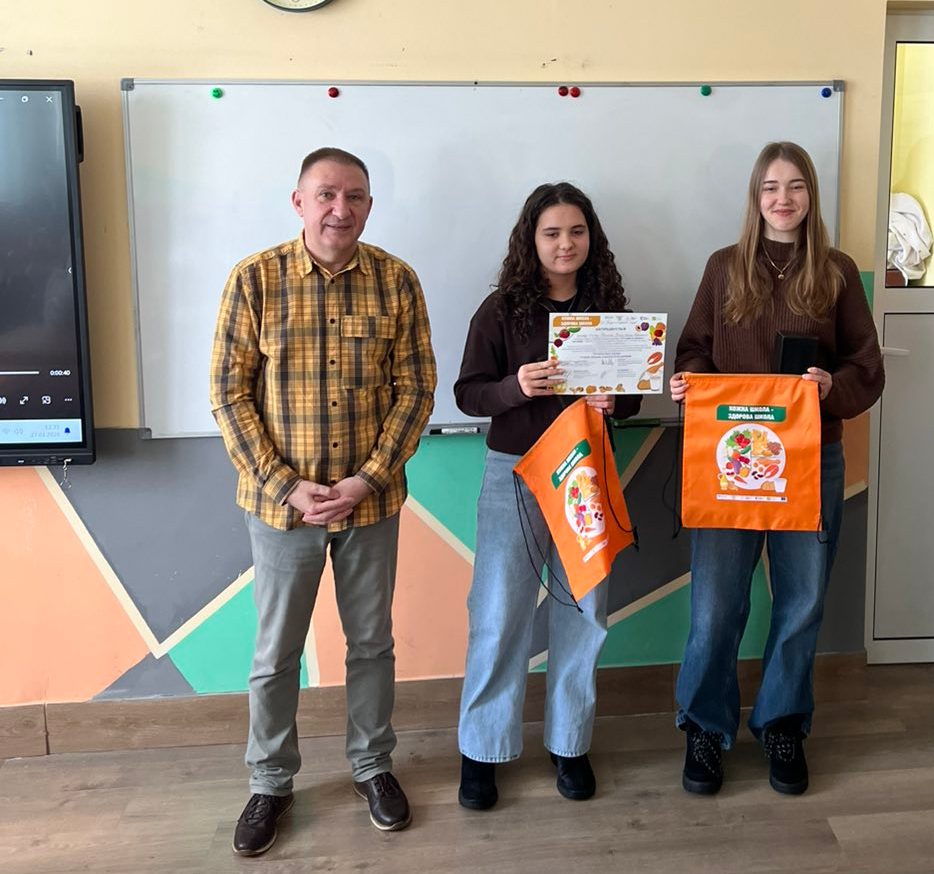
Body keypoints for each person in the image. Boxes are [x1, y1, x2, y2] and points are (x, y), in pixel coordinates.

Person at [210, 147, 436, 856]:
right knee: (276, 652)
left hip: (370, 504)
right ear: (299, 202)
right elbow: (228, 393)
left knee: (371, 643)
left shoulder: (397, 281)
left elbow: (416, 390)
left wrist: (367, 479)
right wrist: (285, 484)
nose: (342, 209)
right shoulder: (254, 279)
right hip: (282, 509)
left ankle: (372, 765)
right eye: (328, 194)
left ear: (369, 205)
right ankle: (270, 781)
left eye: (356, 196)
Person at [670, 142, 884, 795]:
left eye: (795, 186)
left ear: (811, 194)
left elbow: (867, 367)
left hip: (810, 461)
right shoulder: (723, 267)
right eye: (770, 187)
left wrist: (831, 385)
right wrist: (691, 385)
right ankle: (705, 726)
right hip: (729, 463)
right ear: (755, 197)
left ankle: (783, 722)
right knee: (715, 605)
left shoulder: (837, 273)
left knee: (801, 600)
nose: (782, 199)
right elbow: (694, 350)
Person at [453, 182, 641, 810]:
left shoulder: (609, 308)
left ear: (592, 238)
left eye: (577, 231)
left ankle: (570, 742)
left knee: (585, 609)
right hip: (516, 471)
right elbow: (467, 394)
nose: (566, 244)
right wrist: (516, 388)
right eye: (552, 232)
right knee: (499, 610)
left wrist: (618, 400)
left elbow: (631, 396)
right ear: (530, 240)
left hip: (586, 470)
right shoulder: (501, 310)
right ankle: (482, 749)